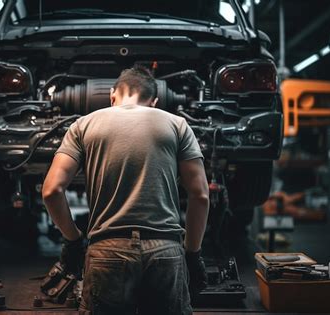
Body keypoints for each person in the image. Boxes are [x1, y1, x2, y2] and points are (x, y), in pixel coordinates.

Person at [42, 65, 209, 315]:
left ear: (112, 95)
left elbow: (51, 191)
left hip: (106, 250)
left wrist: (74, 240)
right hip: (165, 250)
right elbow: (201, 196)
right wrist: (193, 254)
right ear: (154, 101)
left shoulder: (83, 125)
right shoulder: (178, 124)